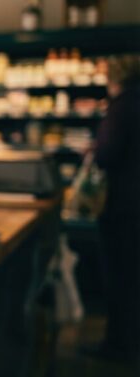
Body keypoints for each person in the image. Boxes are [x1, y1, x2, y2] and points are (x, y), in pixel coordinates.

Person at [93, 54, 140, 361]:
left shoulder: (122, 106)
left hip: (126, 206)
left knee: (122, 277)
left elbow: (106, 155)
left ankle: (119, 345)